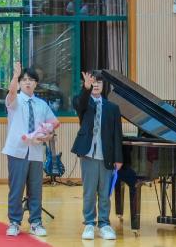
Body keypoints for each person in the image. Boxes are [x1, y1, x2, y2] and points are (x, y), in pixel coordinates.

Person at [1, 63, 55, 237]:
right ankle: (14, 222)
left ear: (36, 83)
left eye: (31, 80)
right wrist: (15, 76)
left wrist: (48, 135)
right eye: (24, 80)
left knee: (35, 189)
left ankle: (36, 222)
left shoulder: (42, 105)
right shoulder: (15, 100)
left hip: (36, 152)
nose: (27, 82)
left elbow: (53, 123)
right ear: (19, 83)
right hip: (17, 150)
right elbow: (11, 93)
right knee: (16, 188)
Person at [71, 71, 123, 241]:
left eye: (99, 82)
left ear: (103, 85)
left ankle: (104, 223)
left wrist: (118, 158)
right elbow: (80, 103)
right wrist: (85, 89)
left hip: (106, 155)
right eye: (93, 82)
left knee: (105, 192)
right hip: (88, 154)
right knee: (89, 191)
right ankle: (89, 223)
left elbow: (117, 135)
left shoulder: (112, 108)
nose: (96, 84)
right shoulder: (83, 102)